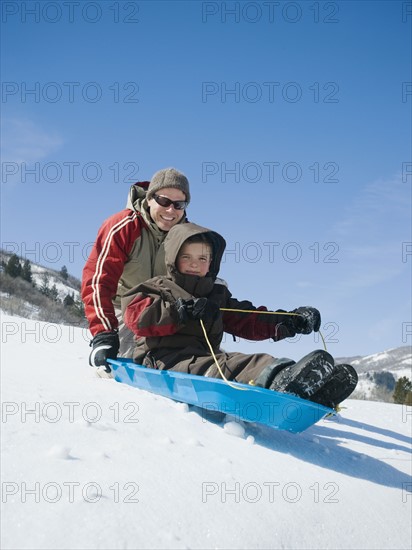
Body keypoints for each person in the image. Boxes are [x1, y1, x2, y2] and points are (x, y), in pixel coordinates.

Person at [121, 223, 358, 409]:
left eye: (202, 258)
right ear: (173, 259)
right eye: (187, 257)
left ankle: (311, 390)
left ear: (211, 263)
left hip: (203, 359)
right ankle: (281, 379)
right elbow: (136, 317)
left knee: (226, 361)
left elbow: (248, 319)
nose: (195, 264)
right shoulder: (159, 287)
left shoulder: (216, 294)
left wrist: (290, 321)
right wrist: (179, 311)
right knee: (225, 366)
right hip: (163, 362)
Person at [82, 167, 192, 372]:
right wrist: (104, 333)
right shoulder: (123, 226)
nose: (171, 210)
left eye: (179, 204)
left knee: (193, 358)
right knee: (136, 359)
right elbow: (97, 282)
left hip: (169, 314)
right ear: (149, 198)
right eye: (164, 201)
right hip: (124, 312)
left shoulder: (188, 237)